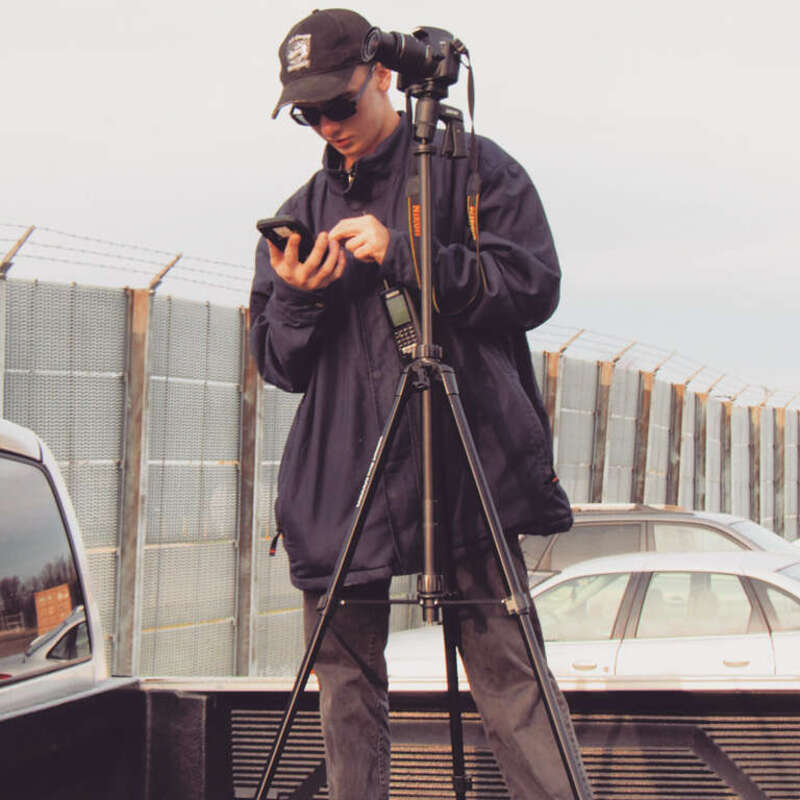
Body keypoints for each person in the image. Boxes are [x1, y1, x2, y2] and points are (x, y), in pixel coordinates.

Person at [249, 9, 593, 800]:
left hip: (463, 470)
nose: (328, 125)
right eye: (309, 114)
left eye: (339, 103)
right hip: (344, 487)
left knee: (513, 685)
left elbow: (533, 285)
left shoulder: (472, 169)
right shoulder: (300, 214)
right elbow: (277, 363)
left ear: (381, 75)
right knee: (346, 697)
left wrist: (407, 253)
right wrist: (298, 300)